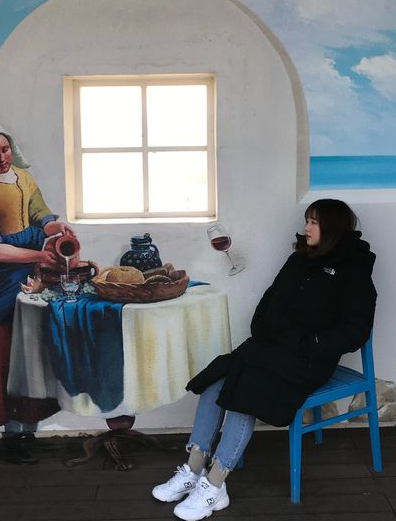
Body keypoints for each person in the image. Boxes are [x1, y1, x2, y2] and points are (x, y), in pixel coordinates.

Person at [152, 199, 377, 521]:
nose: (306, 227)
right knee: (217, 379)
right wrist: (263, 328)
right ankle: (194, 469)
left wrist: (309, 344)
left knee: (248, 391)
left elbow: (356, 330)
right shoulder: (300, 259)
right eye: (307, 220)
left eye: (313, 222)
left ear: (331, 227)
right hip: (270, 348)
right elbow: (270, 300)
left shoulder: (353, 270)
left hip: (308, 359)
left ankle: (215, 485)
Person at [0, 115, 75, 464]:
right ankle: (12, 434)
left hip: (30, 274)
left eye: (5, 149)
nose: (2, 158)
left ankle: (29, 427)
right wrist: (41, 255)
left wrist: (56, 227)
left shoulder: (23, 177)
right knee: (5, 356)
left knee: (32, 352)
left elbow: (41, 216)